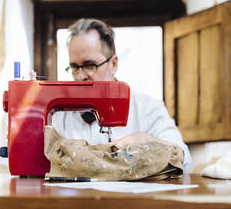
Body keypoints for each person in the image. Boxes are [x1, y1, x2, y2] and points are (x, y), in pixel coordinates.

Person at [52, 18, 191, 170]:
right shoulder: (60, 115)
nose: (80, 76)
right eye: (74, 67)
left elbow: (184, 159)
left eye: (89, 65)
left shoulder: (147, 108)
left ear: (113, 64)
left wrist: (147, 141)